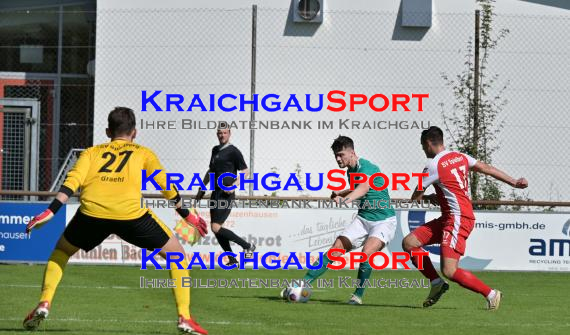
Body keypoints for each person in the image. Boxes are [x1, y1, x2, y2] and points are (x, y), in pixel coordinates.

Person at [23, 107, 209, 335]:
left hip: (92, 214)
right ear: (135, 132)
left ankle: (44, 303)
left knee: (61, 252)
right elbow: (164, 183)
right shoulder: (143, 152)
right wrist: (186, 214)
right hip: (131, 216)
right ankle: (184, 317)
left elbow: (73, 181)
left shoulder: (91, 152)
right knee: (177, 256)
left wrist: (52, 210)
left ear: (107, 131)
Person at [402, 126, 528, 310]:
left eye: (423, 147)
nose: (424, 151)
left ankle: (491, 294)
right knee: (409, 243)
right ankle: (436, 283)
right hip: (452, 217)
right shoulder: (460, 156)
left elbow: (416, 197)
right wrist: (514, 182)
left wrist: (430, 198)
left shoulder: (431, 166)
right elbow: (487, 168)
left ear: (428, 143)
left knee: (449, 270)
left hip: (457, 218)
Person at [282, 136, 397, 304]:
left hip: (383, 221)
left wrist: (345, 200)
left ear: (352, 153)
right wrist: (341, 193)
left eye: (341, 154)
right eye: (336, 155)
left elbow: (364, 187)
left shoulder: (367, 167)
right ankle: (303, 284)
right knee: (336, 249)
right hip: (364, 218)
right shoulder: (350, 171)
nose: (338, 159)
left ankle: (357, 296)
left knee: (366, 254)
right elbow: (355, 187)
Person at [196, 123, 255, 266]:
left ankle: (247, 246)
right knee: (216, 230)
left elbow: (246, 172)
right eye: (219, 133)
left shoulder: (234, 151)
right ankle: (232, 258)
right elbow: (210, 171)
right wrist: (201, 189)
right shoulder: (215, 150)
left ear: (229, 134)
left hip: (226, 194)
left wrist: (234, 185)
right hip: (215, 193)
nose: (222, 135)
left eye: (224, 133)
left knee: (216, 227)